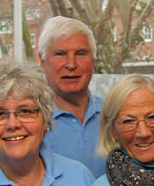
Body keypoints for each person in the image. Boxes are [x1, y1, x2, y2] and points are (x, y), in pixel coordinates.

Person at [39, 16, 106, 177]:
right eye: (60, 54)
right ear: (42, 61)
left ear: (93, 61)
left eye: (81, 53)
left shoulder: (115, 114)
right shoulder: (31, 123)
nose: (71, 64)